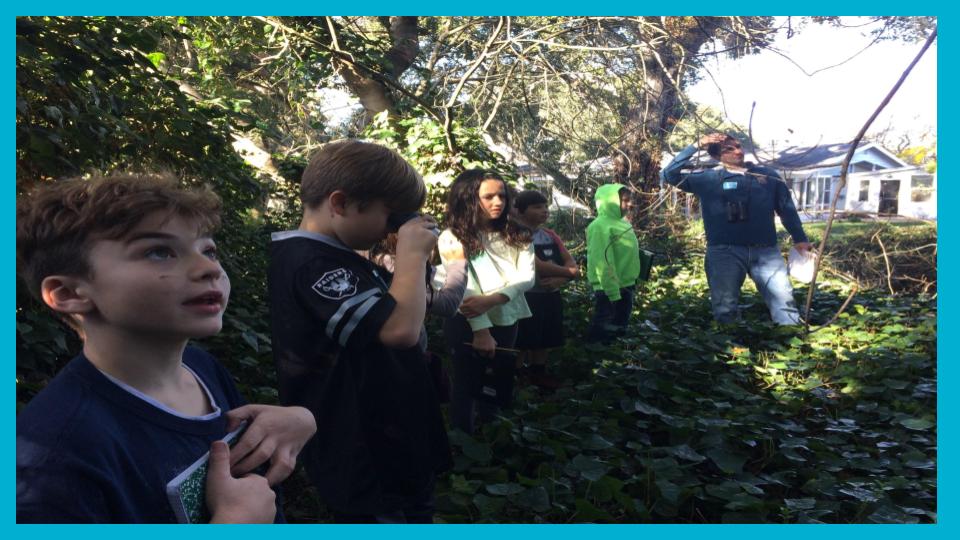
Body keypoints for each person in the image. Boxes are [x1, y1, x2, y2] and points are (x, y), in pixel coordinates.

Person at [15, 174, 316, 523]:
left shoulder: (200, 368)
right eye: (159, 252)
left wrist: (301, 419)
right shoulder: (51, 461)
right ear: (68, 294)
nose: (209, 268)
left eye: (208, 250)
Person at [268, 139, 450, 523]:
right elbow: (399, 330)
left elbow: (404, 312)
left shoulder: (341, 259)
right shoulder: (312, 265)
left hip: (394, 440)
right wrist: (411, 256)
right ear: (340, 203)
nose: (392, 229)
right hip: (365, 450)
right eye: (391, 216)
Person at [661, 133, 814, 325]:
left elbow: (787, 209)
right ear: (717, 156)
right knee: (724, 307)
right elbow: (668, 174)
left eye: (739, 146)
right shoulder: (708, 178)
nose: (738, 151)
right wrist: (697, 145)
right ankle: (731, 349)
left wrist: (800, 239)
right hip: (724, 252)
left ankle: (792, 341)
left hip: (766, 250)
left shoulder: (767, 176)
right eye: (729, 149)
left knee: (784, 302)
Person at [439, 170, 535, 433]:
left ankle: (492, 436)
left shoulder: (518, 234)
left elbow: (526, 277)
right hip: (467, 324)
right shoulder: (452, 237)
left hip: (507, 318)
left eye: (502, 195)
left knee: (497, 378)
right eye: (488, 196)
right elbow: (464, 287)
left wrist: (494, 299)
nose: (498, 202)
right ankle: (465, 443)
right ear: (469, 199)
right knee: (466, 385)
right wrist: (481, 330)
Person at [512, 190, 578, 388]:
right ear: (521, 211)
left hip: (549, 296)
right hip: (525, 296)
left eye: (545, 207)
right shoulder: (515, 234)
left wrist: (560, 278)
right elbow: (537, 265)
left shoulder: (550, 235)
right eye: (537, 207)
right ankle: (515, 378)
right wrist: (569, 273)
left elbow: (571, 261)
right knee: (522, 340)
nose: (544, 211)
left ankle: (538, 375)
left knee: (544, 338)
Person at [585, 184, 642, 343]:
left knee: (619, 327)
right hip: (610, 288)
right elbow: (601, 260)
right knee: (603, 328)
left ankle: (616, 360)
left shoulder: (623, 222)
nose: (629, 204)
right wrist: (612, 291)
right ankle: (596, 359)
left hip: (626, 284)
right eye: (624, 200)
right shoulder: (599, 226)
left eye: (629, 200)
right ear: (609, 202)